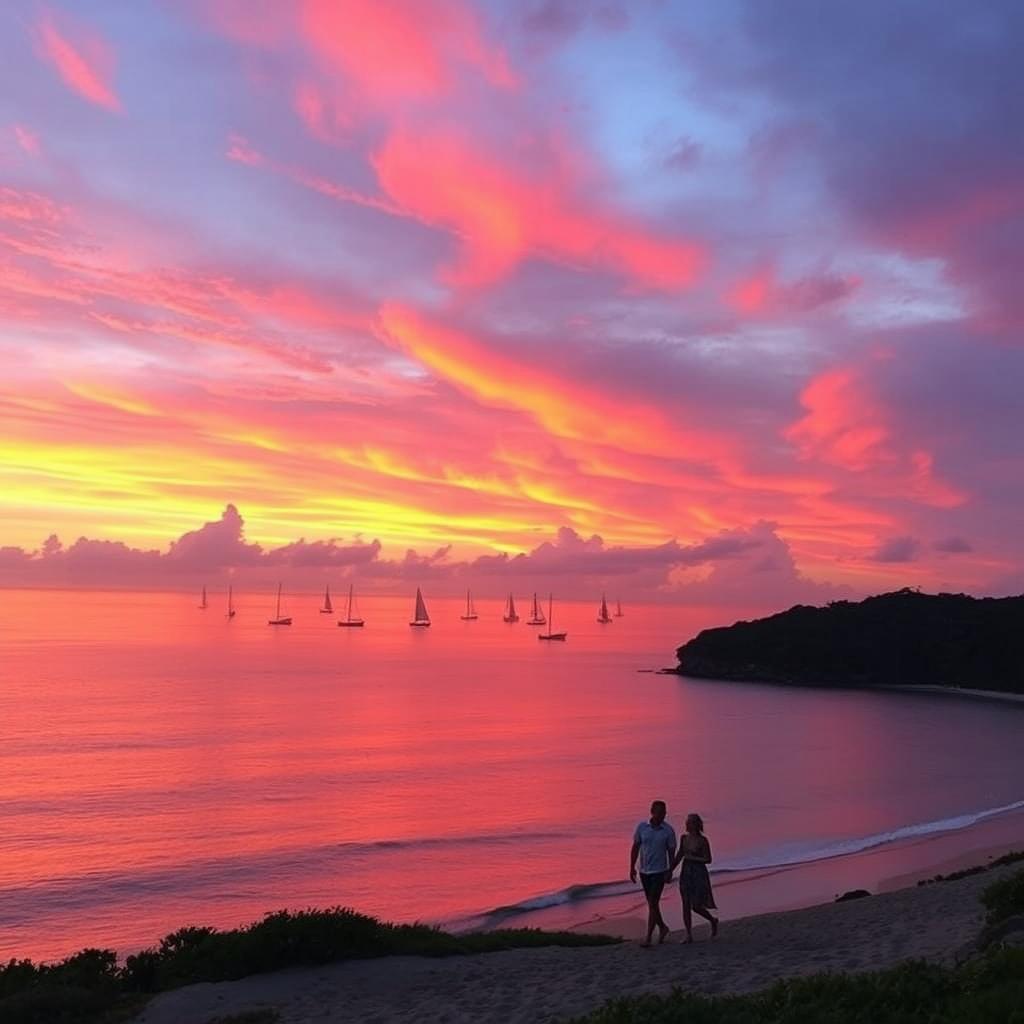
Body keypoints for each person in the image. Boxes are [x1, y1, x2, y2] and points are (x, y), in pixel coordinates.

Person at [629, 799, 677, 947]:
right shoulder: (642, 827)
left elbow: (671, 852)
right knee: (652, 904)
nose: (663, 815)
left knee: (653, 902)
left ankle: (649, 937)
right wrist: (632, 868)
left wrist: (670, 871)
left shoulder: (668, 831)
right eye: (660, 812)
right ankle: (662, 927)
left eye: (664, 812)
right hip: (644, 871)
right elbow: (636, 847)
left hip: (660, 871)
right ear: (652, 812)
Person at [671, 812, 718, 943]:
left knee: (696, 906)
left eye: (690, 822)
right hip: (686, 873)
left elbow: (708, 859)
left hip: (699, 874)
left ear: (696, 825)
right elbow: (679, 855)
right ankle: (688, 934)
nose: (687, 824)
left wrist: (693, 858)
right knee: (685, 904)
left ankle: (712, 920)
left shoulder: (703, 841)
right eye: (687, 822)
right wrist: (670, 870)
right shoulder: (684, 838)